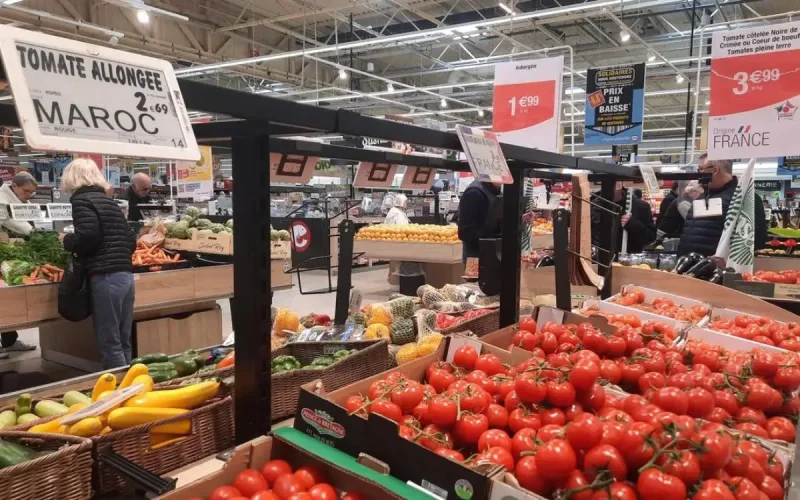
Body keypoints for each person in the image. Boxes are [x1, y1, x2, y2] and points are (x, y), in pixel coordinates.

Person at [61, 159, 136, 369]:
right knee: (123, 338)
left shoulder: (82, 201)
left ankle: (120, 393)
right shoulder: (109, 201)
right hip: (125, 276)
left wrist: (66, 240)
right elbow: (131, 240)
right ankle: (131, 385)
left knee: (110, 341)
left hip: (106, 277)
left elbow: (88, 237)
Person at [677, 157, 767, 257]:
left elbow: (756, 239)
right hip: (687, 267)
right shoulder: (703, 196)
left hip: (717, 270)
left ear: (714, 170)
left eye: (701, 169)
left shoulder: (744, 197)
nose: (699, 175)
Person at [0, 172, 39, 355]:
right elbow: (11, 222)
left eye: (32, 192)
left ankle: (9, 340)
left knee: (8, 297)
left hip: (17, 251)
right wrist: (33, 232)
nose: (29, 195)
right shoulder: (2, 199)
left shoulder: (22, 200)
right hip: (4, 250)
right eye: (26, 191)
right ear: (15, 186)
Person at [591, 182, 656, 254]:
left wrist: (633, 224)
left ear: (621, 183)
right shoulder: (591, 205)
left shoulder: (640, 206)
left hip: (628, 261)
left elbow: (650, 238)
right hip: (597, 259)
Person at [457, 179, 501, 262]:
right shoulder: (474, 193)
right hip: (476, 258)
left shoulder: (494, 190)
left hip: (492, 255)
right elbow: (465, 232)